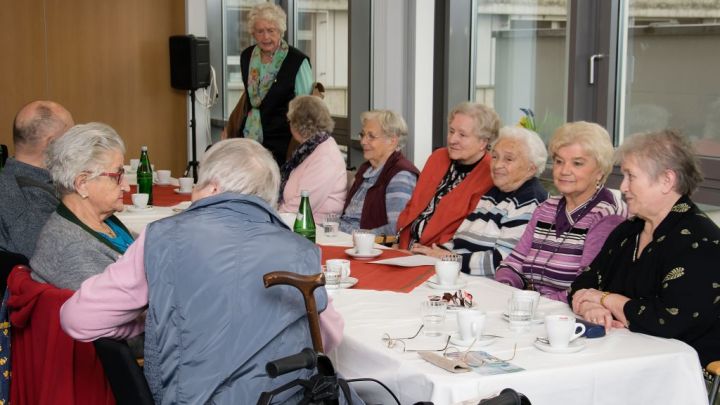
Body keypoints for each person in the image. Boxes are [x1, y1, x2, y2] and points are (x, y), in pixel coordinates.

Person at [59, 138, 347, 404]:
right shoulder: (299, 249)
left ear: (212, 188)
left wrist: (154, 321)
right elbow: (328, 337)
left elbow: (78, 318)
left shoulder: (162, 237)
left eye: (196, 186)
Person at [570, 129, 720, 368]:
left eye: (631, 176)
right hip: (619, 355)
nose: (623, 187)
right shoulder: (628, 232)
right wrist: (590, 305)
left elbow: (667, 320)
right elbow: (583, 282)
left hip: (678, 370)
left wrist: (607, 299)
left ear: (666, 181)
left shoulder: (700, 242)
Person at [494, 121, 627, 302]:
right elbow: (515, 261)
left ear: (600, 171)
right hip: (532, 307)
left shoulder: (607, 215)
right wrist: (505, 286)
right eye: (559, 161)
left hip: (569, 314)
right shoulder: (546, 208)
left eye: (577, 163)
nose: (564, 170)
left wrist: (539, 304)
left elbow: (588, 285)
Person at [411, 126, 548, 276]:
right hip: (461, 274)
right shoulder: (494, 191)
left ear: (531, 168)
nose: (497, 165)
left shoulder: (530, 200)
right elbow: (461, 239)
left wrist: (448, 258)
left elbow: (503, 261)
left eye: (508, 159)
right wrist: (435, 252)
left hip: (490, 286)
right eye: (494, 156)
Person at [30, 122, 134, 291]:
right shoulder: (73, 248)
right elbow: (122, 309)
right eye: (118, 175)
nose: (127, 187)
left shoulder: (102, 220)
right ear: (82, 184)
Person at [396, 102, 499, 250]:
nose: (452, 140)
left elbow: (468, 228)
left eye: (462, 135)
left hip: (441, 256)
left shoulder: (490, 173)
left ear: (483, 142)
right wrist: (400, 240)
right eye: (451, 131)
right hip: (405, 247)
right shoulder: (438, 157)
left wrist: (433, 251)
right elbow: (413, 205)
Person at [224, 3, 313, 165]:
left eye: (271, 30)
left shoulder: (297, 61)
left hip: (283, 144)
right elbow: (249, 99)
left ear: (280, 31)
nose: (265, 37)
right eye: (260, 31)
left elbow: (306, 109)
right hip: (249, 139)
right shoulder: (247, 56)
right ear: (253, 33)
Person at [0, 100, 74, 259]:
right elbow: (59, 259)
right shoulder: (29, 201)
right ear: (52, 144)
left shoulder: (9, 179)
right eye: (70, 139)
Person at [340, 110, 419, 237]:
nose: (363, 141)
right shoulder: (366, 169)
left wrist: (358, 236)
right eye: (363, 135)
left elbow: (396, 228)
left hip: (365, 246)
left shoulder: (401, 175)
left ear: (392, 141)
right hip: (342, 237)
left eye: (371, 136)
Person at [278, 95, 346, 222]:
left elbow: (302, 205)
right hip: (297, 224)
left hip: (313, 230)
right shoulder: (309, 149)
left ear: (297, 124)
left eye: (290, 121)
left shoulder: (324, 155)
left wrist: (271, 217)